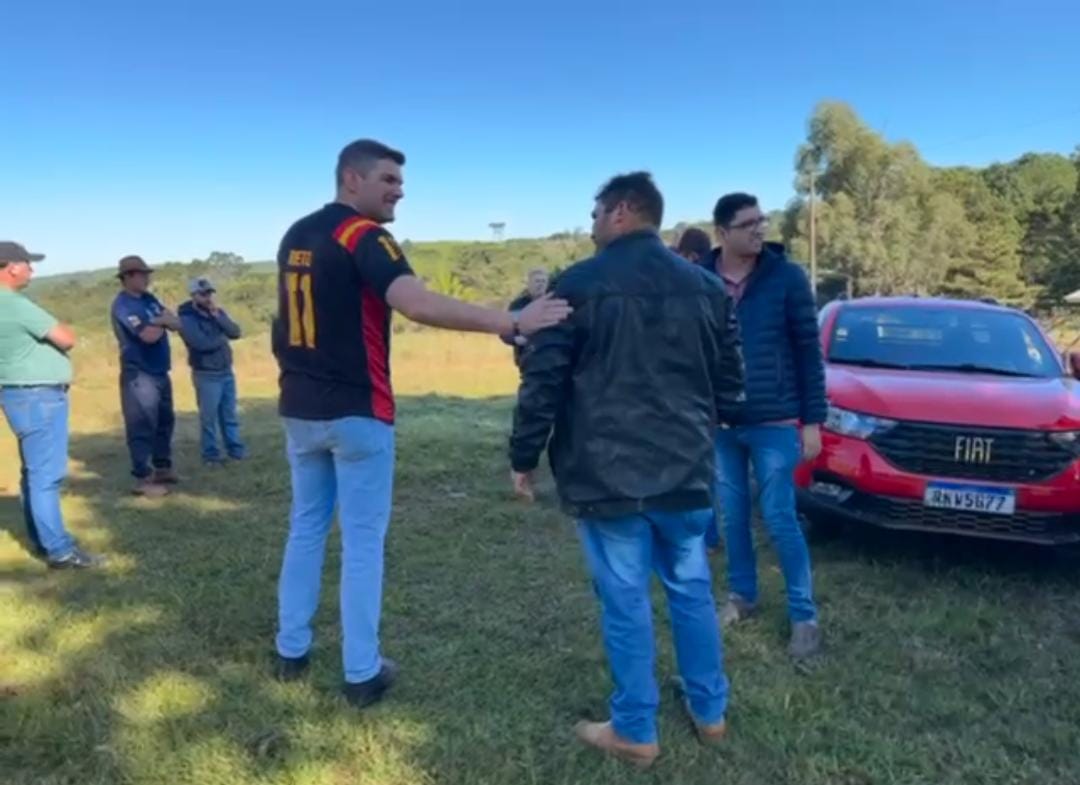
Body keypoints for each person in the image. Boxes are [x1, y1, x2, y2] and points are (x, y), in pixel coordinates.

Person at [271, 138, 572, 707]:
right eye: (388, 180)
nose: (399, 191)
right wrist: (510, 321)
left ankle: (291, 650)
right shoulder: (365, 235)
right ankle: (361, 671)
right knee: (362, 542)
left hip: (300, 408)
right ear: (351, 178)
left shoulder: (295, 234)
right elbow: (415, 302)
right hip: (358, 410)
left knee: (306, 526)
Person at [509, 172, 744, 768]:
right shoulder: (706, 286)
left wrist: (523, 456)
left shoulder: (579, 284)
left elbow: (543, 379)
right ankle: (710, 711)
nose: (591, 224)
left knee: (625, 598)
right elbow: (730, 381)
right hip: (687, 469)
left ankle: (636, 728)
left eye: (595, 213)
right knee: (691, 588)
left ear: (620, 212)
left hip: (606, 473)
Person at [697, 193, 827, 660]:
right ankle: (742, 596)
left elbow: (809, 352)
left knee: (778, 515)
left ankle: (804, 616)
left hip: (776, 420)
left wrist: (813, 421)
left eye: (762, 220)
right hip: (723, 423)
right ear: (722, 233)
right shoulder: (701, 280)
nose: (759, 229)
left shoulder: (786, 277)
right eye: (748, 223)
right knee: (732, 516)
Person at [0, 242, 102, 568]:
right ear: (11, 267)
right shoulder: (15, 304)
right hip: (39, 397)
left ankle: (43, 540)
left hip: (16, 394)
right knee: (46, 476)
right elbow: (66, 338)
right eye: (27, 263)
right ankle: (60, 550)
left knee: (33, 471)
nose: (32, 269)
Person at [110, 255, 181, 497]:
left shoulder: (149, 299)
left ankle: (162, 468)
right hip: (139, 373)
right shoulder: (123, 305)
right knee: (142, 425)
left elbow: (177, 323)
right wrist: (162, 321)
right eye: (142, 275)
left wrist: (159, 321)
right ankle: (143, 478)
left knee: (164, 421)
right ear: (128, 277)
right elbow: (148, 336)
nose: (147, 279)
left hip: (160, 370)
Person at [178, 276, 245, 465]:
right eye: (203, 294)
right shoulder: (186, 319)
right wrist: (223, 339)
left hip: (225, 370)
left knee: (229, 415)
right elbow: (200, 344)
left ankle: (235, 451)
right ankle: (211, 455)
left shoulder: (217, 313)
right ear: (193, 296)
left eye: (209, 293)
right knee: (209, 418)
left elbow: (235, 332)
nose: (207, 298)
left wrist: (219, 318)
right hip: (206, 373)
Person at [503, 268, 550, 366]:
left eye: (543, 281)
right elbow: (505, 331)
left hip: (550, 356)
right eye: (537, 281)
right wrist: (515, 339)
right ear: (529, 284)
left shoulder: (553, 303)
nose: (541, 284)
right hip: (526, 357)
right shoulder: (518, 305)